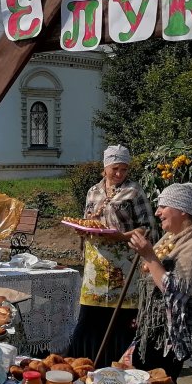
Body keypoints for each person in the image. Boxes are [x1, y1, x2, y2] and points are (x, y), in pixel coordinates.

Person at [67, 145, 156, 365]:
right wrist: (83, 230)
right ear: (105, 167)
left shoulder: (133, 191)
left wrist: (123, 236)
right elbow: (88, 220)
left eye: (124, 170)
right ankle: (84, 364)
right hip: (95, 267)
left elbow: (148, 228)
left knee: (120, 319)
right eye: (115, 169)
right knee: (90, 318)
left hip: (123, 267)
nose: (119, 174)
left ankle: (116, 366)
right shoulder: (93, 191)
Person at [128, 182, 192, 381]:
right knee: (141, 381)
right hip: (155, 329)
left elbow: (174, 290)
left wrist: (150, 256)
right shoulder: (172, 238)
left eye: (163, 207)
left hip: (173, 334)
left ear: (183, 210)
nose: (158, 212)